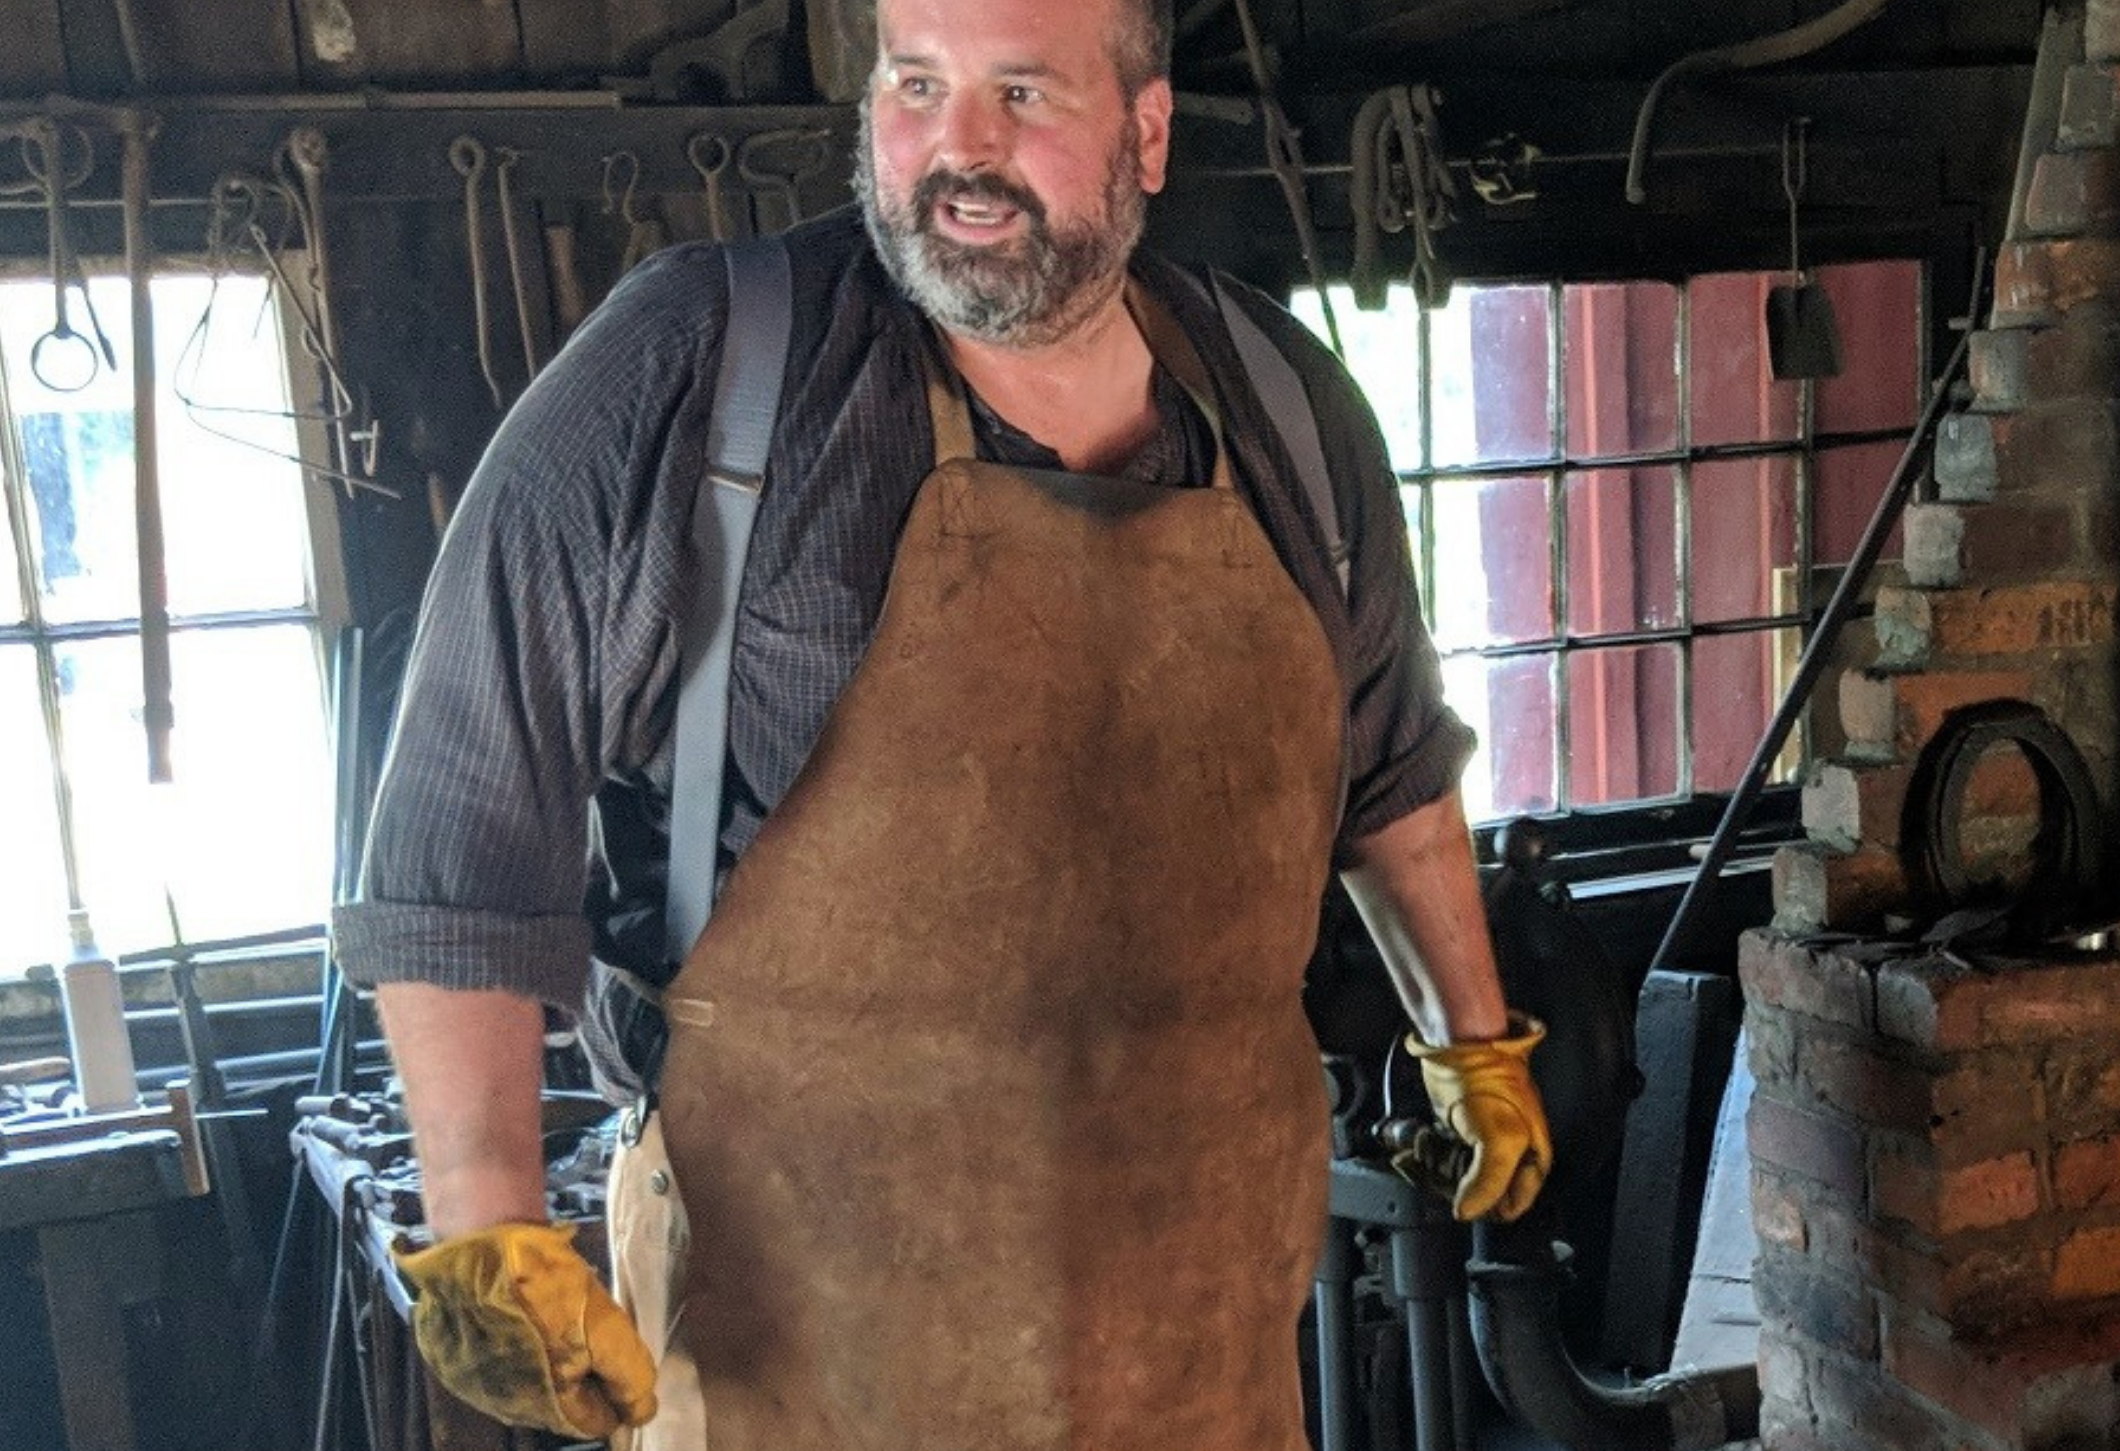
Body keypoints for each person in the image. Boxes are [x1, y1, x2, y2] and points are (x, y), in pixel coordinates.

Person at [333, 0, 1552, 1442]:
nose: (955, 150)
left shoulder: (1282, 403)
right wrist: (486, 1213)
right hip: (802, 1355)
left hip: (1200, 1349)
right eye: (916, 84)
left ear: (1145, 134)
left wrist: (1470, 1037)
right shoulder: (698, 372)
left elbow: (1390, 760)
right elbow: (465, 818)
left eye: (1022, 95)